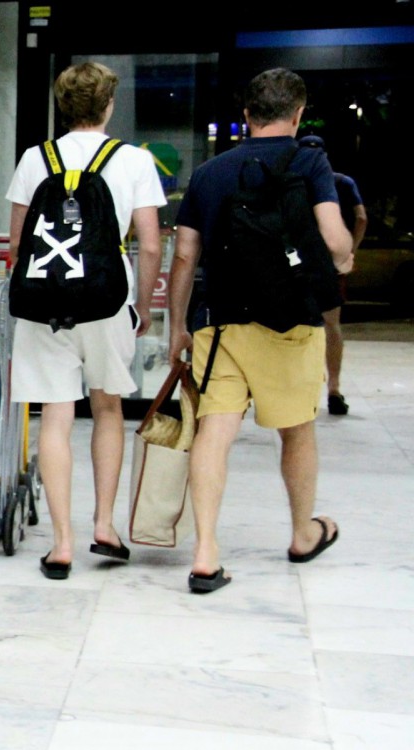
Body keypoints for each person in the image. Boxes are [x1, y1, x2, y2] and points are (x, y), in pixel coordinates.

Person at [168, 68, 354, 594]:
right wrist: (343, 259)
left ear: (247, 115)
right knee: (296, 430)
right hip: (290, 322)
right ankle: (302, 534)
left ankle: (205, 553)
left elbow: (185, 255)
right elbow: (335, 240)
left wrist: (177, 325)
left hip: (220, 324)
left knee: (215, 431)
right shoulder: (309, 161)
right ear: (298, 114)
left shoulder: (209, 173)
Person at [5, 61, 165, 580]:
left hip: (44, 304)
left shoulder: (35, 158)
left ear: (62, 106)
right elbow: (150, 243)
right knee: (108, 408)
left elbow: (17, 244)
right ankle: (104, 526)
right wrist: (142, 305)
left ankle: (61, 545)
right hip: (107, 300)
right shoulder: (133, 160)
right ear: (109, 105)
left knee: (55, 415)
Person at [298, 134, 367, 416]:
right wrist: (350, 251)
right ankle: (334, 388)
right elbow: (361, 217)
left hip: (296, 261)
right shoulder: (342, 182)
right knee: (331, 324)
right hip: (331, 262)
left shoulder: (292, 179)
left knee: (294, 323)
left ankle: (300, 388)